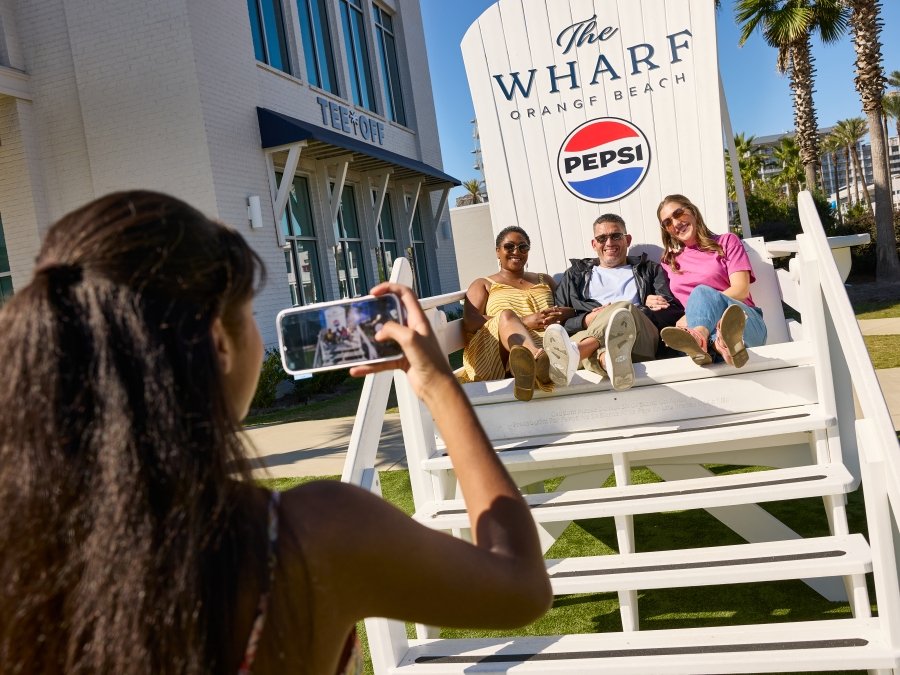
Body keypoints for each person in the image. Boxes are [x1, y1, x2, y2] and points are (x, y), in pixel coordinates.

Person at [0, 191, 551, 675]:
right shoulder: (313, 534)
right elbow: (519, 585)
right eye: (248, 314)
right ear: (219, 343)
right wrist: (436, 385)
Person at [546, 214, 683, 391]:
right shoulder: (575, 275)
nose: (609, 242)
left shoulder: (649, 270)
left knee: (622, 308)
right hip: (604, 344)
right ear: (594, 244)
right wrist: (585, 319)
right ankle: (606, 361)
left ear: (627, 239)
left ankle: (577, 353)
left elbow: (670, 312)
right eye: (602, 238)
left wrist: (642, 309)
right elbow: (561, 322)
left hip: (640, 341)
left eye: (616, 236)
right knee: (606, 345)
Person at [460, 225, 573, 401]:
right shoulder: (484, 283)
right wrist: (524, 321)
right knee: (506, 315)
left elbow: (569, 308)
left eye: (523, 247)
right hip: (496, 353)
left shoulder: (545, 280)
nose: (516, 251)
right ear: (498, 251)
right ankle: (536, 362)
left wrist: (558, 314)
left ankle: (527, 369)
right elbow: (470, 321)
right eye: (509, 246)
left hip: (544, 342)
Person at [656, 194, 767, 367]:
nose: (676, 223)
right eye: (667, 223)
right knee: (713, 332)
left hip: (743, 320)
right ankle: (722, 346)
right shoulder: (668, 263)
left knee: (701, 292)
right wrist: (650, 299)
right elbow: (666, 302)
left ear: (692, 211)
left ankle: (700, 338)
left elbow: (741, 289)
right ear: (666, 230)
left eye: (678, 213)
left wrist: (695, 312)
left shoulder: (726, 242)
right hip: (712, 331)